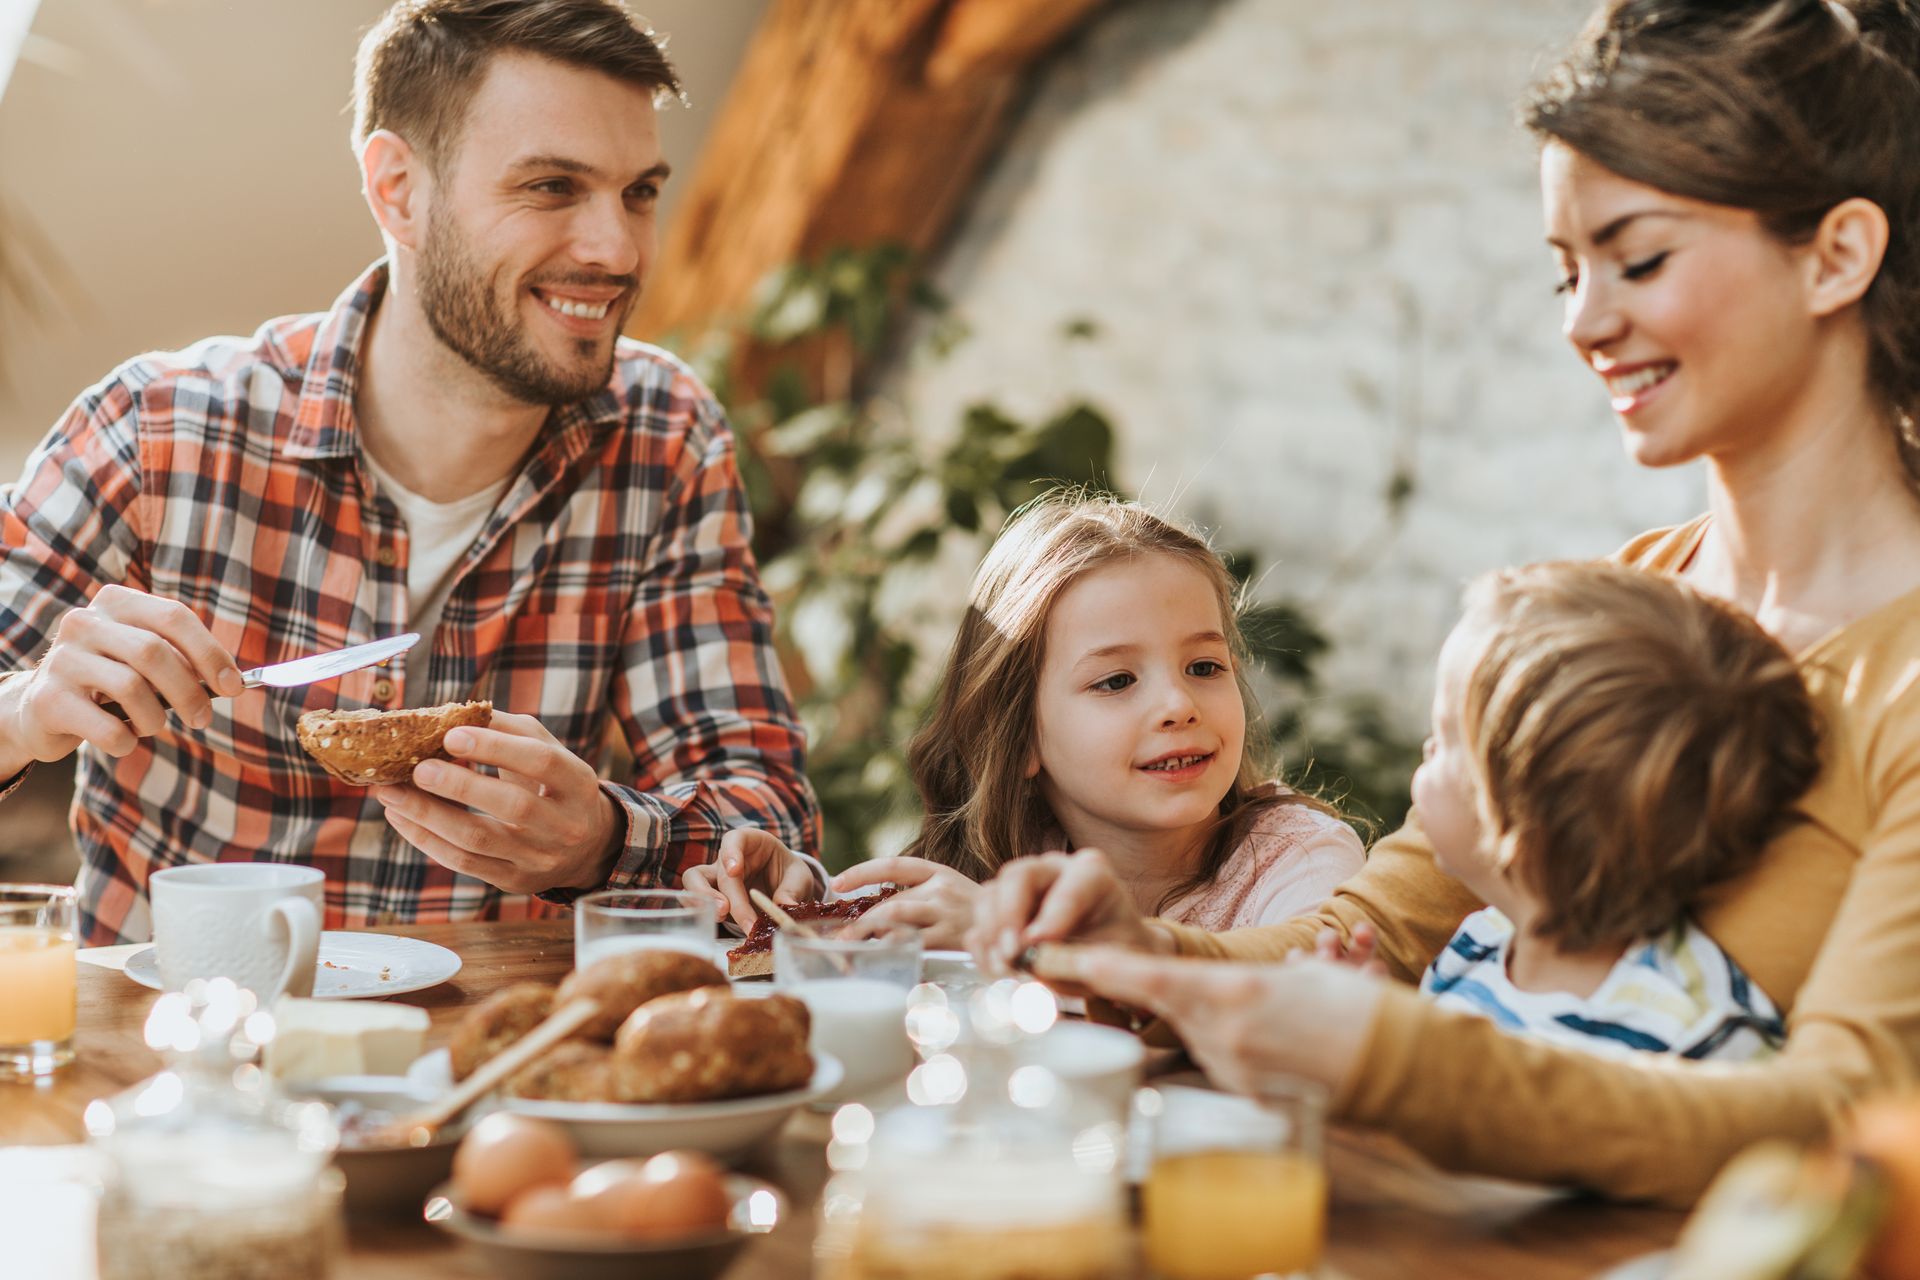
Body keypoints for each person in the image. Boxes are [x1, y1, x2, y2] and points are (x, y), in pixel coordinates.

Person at [967, 0, 1920, 1204]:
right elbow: (1385, 924)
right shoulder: (1634, 594)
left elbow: (1849, 1111)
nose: (1583, 321)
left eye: (1638, 257)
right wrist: (1145, 955)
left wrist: (1393, 1062)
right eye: (1566, 270)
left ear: (1836, 254)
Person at [0, 0, 818, 944]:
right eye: (553, 187)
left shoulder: (666, 439)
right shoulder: (157, 430)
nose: (618, 249)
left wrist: (603, 841)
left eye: (638, 192)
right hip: (185, 1054)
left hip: (498, 1055)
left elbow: (771, 827)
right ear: (396, 188)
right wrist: (24, 712)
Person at [684, 494, 1364, 946]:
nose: (1179, 704)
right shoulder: (1006, 853)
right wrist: (796, 905)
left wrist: (1007, 942)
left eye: (1205, 668)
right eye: (1117, 680)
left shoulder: (1297, 861)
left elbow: (1286, 1010)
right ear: (1020, 736)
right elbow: (878, 955)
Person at [1323, 561, 1819, 1061]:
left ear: (1527, 816)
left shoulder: (1690, 1036)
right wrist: (1374, 1023)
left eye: (1449, 739)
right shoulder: (1481, 944)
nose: (1427, 749)